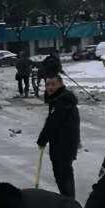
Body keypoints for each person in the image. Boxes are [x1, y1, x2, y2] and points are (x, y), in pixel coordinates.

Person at [37, 61, 80, 198]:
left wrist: (42, 139)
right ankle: (68, 199)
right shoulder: (60, 98)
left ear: (61, 84)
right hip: (62, 143)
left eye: (53, 84)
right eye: (47, 84)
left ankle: (69, 202)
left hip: (64, 144)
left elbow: (52, 122)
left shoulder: (62, 101)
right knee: (63, 173)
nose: (49, 87)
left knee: (63, 174)